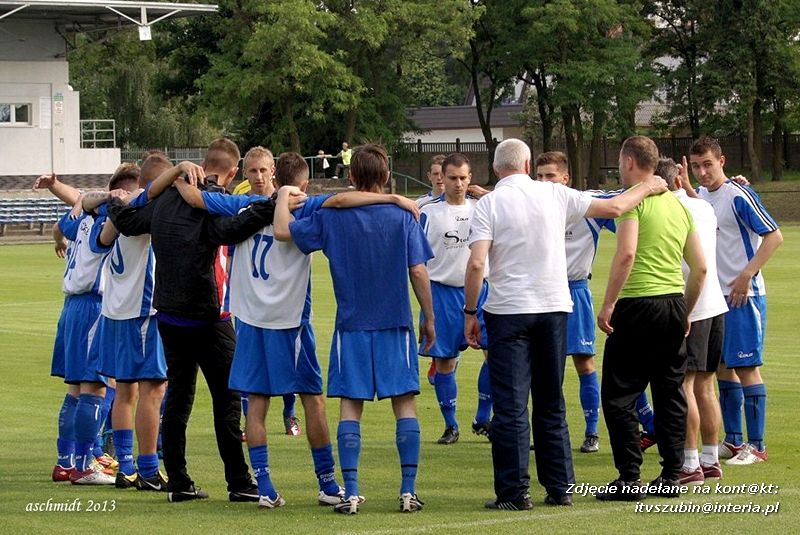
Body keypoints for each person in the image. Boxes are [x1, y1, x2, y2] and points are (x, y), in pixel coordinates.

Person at [463, 138, 667, 510]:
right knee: (550, 400)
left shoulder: (489, 204)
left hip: (508, 310)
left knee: (511, 406)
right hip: (555, 308)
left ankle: (514, 492)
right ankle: (560, 488)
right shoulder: (556, 194)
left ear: (496, 170)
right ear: (527, 165)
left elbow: (477, 263)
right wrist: (650, 185)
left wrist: (469, 312)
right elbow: (617, 205)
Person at [106, 138, 281, 502]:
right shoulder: (208, 201)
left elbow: (126, 220)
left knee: (178, 400)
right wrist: (270, 206)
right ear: (233, 172)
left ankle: (180, 482)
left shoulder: (164, 200)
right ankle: (239, 482)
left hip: (168, 314)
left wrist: (112, 200)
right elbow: (230, 230)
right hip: (208, 316)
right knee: (227, 400)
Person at [274, 143, 435, 514]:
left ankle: (352, 492)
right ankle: (408, 492)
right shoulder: (403, 215)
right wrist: (429, 315)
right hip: (396, 323)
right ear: (388, 176)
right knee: (404, 403)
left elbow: (283, 232)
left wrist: (283, 195)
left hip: (352, 327)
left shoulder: (333, 215)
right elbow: (417, 270)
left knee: (351, 406)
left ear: (350, 176)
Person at [595, 136, 706, 501]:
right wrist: (685, 312)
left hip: (638, 302)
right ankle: (672, 473)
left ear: (628, 162)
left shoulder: (633, 202)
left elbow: (626, 255)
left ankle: (629, 477)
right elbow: (700, 268)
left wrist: (609, 303)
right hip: (673, 302)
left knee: (619, 394)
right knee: (669, 391)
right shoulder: (681, 208)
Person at [37, 167, 140, 485]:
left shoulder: (80, 217)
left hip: (71, 309)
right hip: (94, 309)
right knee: (95, 388)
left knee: (74, 392)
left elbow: (64, 218)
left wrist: (57, 192)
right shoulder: (102, 224)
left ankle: (65, 462)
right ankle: (84, 466)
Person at [77, 152, 174, 492]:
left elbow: (98, 238)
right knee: (153, 389)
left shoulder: (114, 210)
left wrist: (108, 199)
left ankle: (127, 467)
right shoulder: (149, 209)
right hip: (142, 311)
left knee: (125, 391)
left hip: (114, 311)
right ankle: (148, 469)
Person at [687, 136, 783, 465]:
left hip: (744, 295)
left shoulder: (738, 194)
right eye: (697, 166)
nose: (702, 172)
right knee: (723, 368)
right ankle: (733, 440)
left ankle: (756, 447)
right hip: (715, 297)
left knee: (746, 367)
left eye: (708, 164)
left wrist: (746, 274)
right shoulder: (699, 196)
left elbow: (774, 236)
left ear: (722, 161)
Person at [534, 151, 616, 454]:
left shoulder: (587, 205)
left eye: (551, 176)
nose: (544, 182)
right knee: (543, 367)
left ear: (565, 179)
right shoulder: (533, 205)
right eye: (540, 176)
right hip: (542, 292)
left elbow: (625, 203)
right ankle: (547, 431)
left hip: (575, 290)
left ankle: (592, 432)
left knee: (584, 362)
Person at [653, 157, 729, 484]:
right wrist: (685, 184)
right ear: (681, 178)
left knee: (682, 387)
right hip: (716, 307)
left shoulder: (669, 210)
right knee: (705, 386)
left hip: (691, 308)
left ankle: (690, 463)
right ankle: (710, 460)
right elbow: (695, 200)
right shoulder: (704, 208)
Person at [417, 153, 490, 445]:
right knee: (445, 362)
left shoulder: (484, 208)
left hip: (482, 290)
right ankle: (451, 425)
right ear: (441, 178)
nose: (458, 184)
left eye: (463, 178)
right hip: (442, 292)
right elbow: (417, 260)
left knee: (496, 356)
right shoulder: (427, 212)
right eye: (452, 178)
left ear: (470, 178)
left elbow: (519, 201)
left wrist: (487, 193)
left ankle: (483, 418)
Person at [229, 146, 301, 436]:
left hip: (282, 298)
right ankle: (249, 422)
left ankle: (290, 415)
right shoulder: (239, 204)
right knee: (248, 366)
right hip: (248, 299)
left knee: (285, 364)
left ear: (273, 171)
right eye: (253, 171)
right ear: (245, 173)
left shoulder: (290, 202)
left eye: (263, 170)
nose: (259, 176)